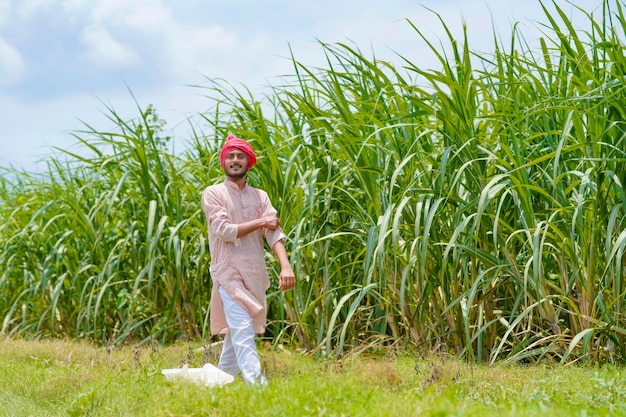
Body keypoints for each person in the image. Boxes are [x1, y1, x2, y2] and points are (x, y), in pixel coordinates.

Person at [201, 134, 296, 385]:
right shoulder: (214, 194)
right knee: (243, 330)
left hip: (254, 274)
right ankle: (259, 387)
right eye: (230, 156)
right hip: (227, 273)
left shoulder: (260, 196)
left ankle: (217, 386)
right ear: (223, 162)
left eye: (240, 156)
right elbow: (224, 230)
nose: (235, 160)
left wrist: (285, 266)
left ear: (248, 162)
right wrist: (260, 222)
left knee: (236, 336)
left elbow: (274, 231)